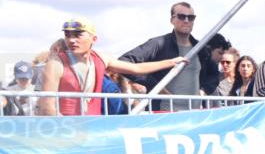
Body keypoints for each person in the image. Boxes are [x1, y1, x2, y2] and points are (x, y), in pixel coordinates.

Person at [40, 18, 187, 116]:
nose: (72, 40)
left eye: (78, 35)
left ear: (94, 39)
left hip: (92, 130)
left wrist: (170, 62)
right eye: (68, 35)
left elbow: (136, 68)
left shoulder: (101, 59)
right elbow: (47, 107)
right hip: (67, 134)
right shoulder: (55, 64)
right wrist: (66, 133)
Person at [119, 2, 217, 110]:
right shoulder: (158, 44)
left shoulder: (202, 49)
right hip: (163, 113)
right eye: (181, 16)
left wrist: (203, 91)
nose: (186, 20)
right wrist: (156, 86)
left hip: (193, 115)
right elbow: (123, 62)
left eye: (191, 17)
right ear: (172, 20)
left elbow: (214, 74)